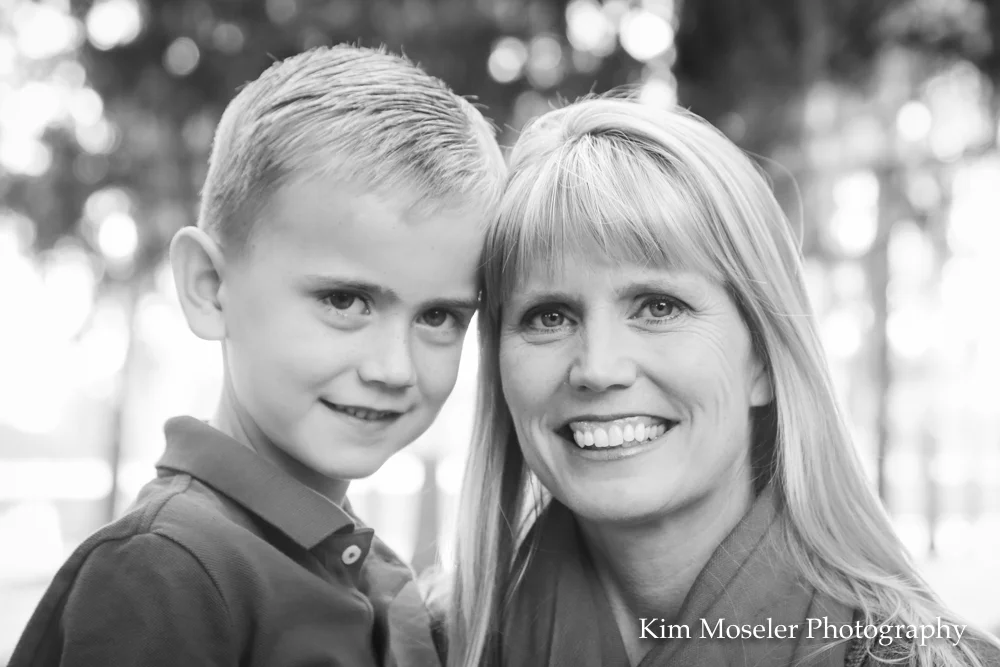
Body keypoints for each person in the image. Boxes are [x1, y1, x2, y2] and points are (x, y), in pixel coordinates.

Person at [445, 97, 1000, 667]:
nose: (598, 368)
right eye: (549, 316)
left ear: (763, 358)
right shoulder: (431, 646)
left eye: (658, 306)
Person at [9, 44, 505, 667]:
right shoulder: (166, 570)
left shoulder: (377, 574)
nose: (393, 368)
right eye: (344, 300)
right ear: (210, 288)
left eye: (438, 317)